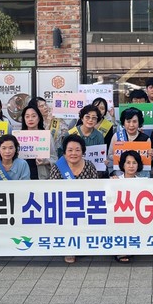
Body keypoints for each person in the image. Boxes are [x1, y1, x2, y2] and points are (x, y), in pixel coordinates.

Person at [50, 134, 99, 264]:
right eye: (70, 150)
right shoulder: (58, 167)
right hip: (64, 206)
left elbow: (96, 187)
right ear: (64, 152)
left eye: (77, 150)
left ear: (83, 151)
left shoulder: (89, 166)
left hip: (86, 205)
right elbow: (53, 190)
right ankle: (69, 248)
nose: (73, 153)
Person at [20, 103, 53, 180]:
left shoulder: (46, 135)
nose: (30, 119)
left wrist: (45, 160)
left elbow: (54, 158)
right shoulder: (19, 136)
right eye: (27, 116)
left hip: (42, 176)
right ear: (24, 119)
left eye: (34, 116)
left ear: (39, 118)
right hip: (23, 177)